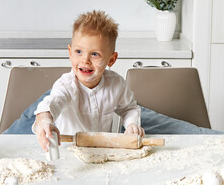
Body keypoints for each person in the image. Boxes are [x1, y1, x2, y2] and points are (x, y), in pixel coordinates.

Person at [32, 10, 145, 152]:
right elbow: (51, 104)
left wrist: (131, 125)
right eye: (78, 52)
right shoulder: (66, 85)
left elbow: (129, 108)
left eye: (95, 54)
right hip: (70, 150)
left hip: (103, 151)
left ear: (111, 60)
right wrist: (44, 121)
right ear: (70, 52)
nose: (85, 60)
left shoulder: (116, 84)